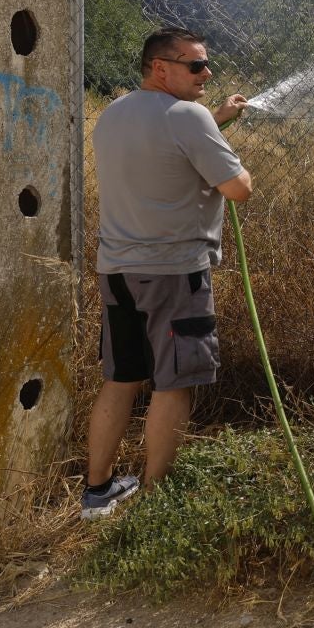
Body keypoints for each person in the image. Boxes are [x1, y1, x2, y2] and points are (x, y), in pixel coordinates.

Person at [81, 28, 251, 520]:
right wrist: (218, 140)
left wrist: (216, 119)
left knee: (122, 379)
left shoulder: (114, 113)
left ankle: (97, 492)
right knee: (173, 384)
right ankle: (155, 503)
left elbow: (162, 146)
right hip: (173, 274)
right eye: (195, 65)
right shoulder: (188, 118)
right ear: (161, 68)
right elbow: (238, 189)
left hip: (117, 271)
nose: (207, 73)